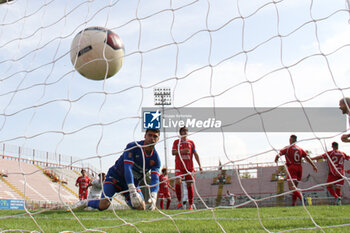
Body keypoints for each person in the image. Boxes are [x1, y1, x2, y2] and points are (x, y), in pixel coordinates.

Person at [73, 128, 161, 211]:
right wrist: (132, 189)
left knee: (141, 208)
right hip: (115, 178)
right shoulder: (133, 147)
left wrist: (153, 196)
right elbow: (128, 168)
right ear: (145, 136)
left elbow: (155, 179)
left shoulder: (156, 159)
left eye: (155, 136)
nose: (152, 138)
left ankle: (128, 199)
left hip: (132, 184)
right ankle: (86, 202)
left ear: (158, 139)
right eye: (150, 135)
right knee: (104, 204)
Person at [274, 135, 318, 206]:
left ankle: (302, 198)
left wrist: (276, 158)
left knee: (291, 187)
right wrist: (314, 165)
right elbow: (307, 157)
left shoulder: (287, 148)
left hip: (292, 167)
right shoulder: (300, 149)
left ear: (290, 140)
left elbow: (279, 154)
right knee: (295, 188)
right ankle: (293, 204)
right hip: (299, 168)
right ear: (296, 141)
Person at [172, 126, 202, 210]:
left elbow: (195, 154)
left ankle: (190, 205)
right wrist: (182, 151)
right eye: (183, 131)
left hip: (189, 167)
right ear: (180, 133)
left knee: (189, 185)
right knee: (178, 182)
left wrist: (200, 165)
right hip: (179, 166)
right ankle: (179, 203)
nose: (185, 132)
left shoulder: (191, 143)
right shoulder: (176, 142)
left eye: (186, 131)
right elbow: (173, 152)